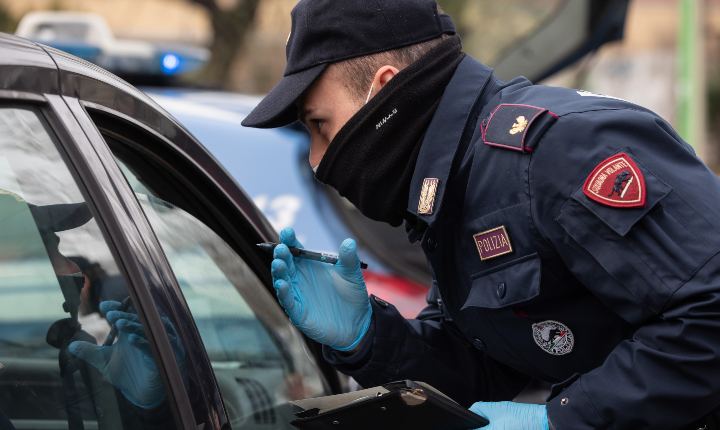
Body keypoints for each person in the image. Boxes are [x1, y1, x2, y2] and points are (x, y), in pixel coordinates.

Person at [242, 1, 720, 429]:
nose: (316, 160)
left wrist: (566, 418)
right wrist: (368, 338)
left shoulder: (557, 149)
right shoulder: (459, 183)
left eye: (319, 124)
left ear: (382, 88)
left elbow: (710, 312)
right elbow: (479, 370)